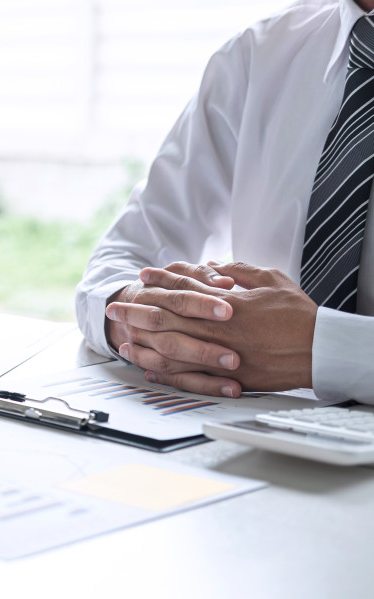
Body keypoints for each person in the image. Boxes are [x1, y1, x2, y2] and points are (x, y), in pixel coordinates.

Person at [76, 0, 374, 403]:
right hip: (250, 437)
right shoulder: (259, 53)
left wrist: (322, 350)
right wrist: (141, 319)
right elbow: (125, 258)